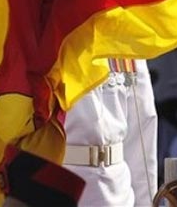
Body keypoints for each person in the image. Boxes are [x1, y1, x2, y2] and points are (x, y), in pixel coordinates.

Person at [62, 58, 158, 206]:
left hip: (118, 190)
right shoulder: (48, 41)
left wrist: (146, 203)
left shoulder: (125, 46)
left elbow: (142, 131)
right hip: (60, 182)